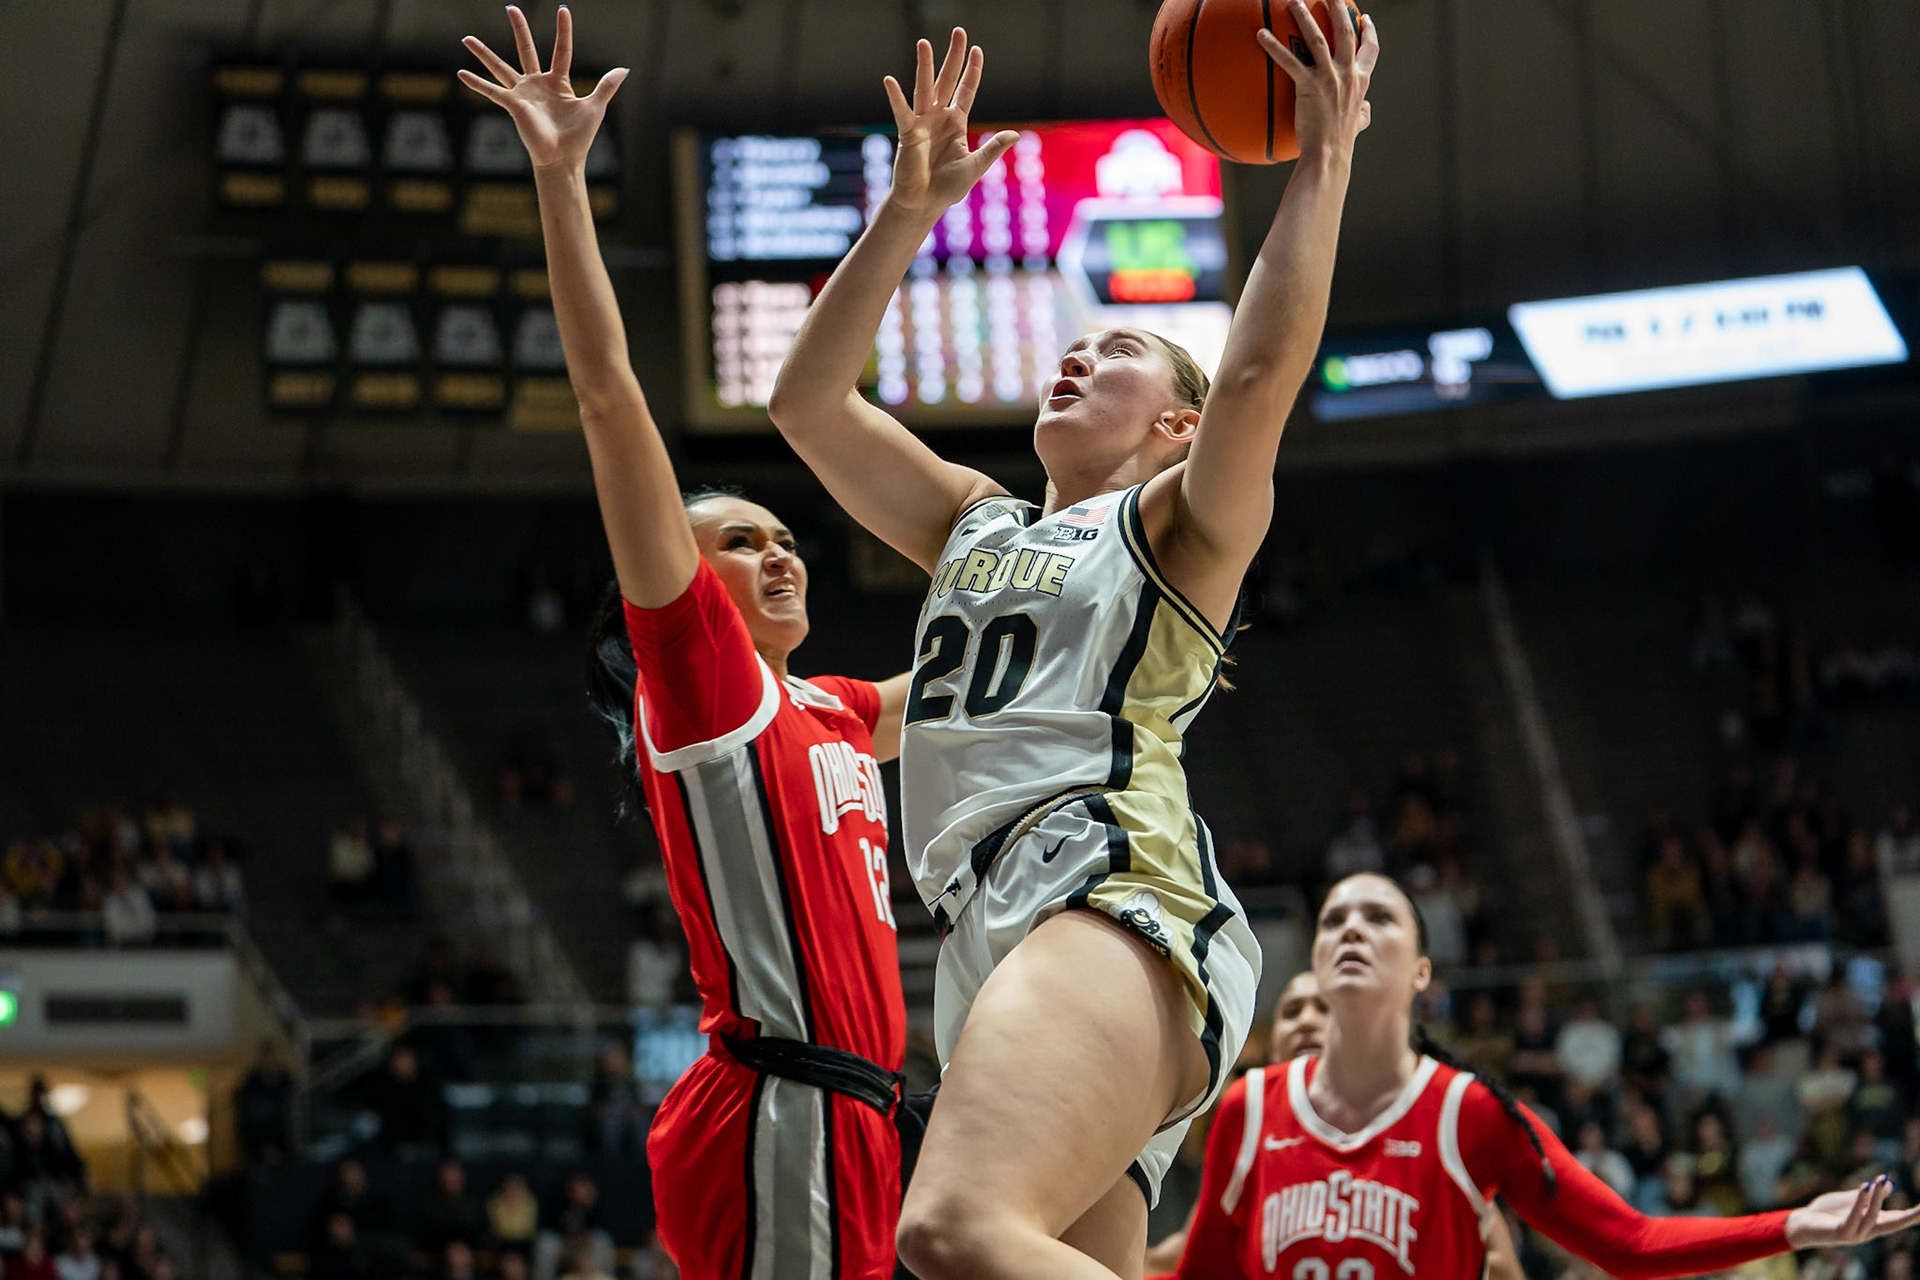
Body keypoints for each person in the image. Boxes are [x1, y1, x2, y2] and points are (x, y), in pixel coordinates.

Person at [766, 10, 1380, 1274]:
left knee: (948, 1229)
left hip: (1108, 886)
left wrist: (1321, 168)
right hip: (984, 922)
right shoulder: (973, 523)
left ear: (1174, 427)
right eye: (1073, 344)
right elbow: (807, 402)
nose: (1073, 358)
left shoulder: (1177, 527)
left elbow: (1259, 381)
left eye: (1115, 356)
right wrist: (906, 209)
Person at [460, 10, 912, 1277]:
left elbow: (988, 673)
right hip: (784, 1099)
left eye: (786, 535)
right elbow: (609, 398)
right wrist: (561, 178)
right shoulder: (710, 687)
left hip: (849, 1109)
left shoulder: (824, 706)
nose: (777, 552)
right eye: (738, 542)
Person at [1179, 872, 1919, 1279]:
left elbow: (1629, 1243)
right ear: (1312, 963)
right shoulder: (1249, 1109)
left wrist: (1791, 1225)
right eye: (1334, 920)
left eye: (1379, 918)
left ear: (1422, 973)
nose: (1350, 930)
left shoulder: (1467, 1115)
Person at [1151, 970, 1526, 1280]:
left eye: (1325, 1009)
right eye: (1292, 1012)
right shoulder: (1252, 1135)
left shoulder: (1423, 1125)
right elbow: (1186, 1258)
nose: (1307, 1021)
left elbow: (1502, 1267)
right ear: (1272, 1053)